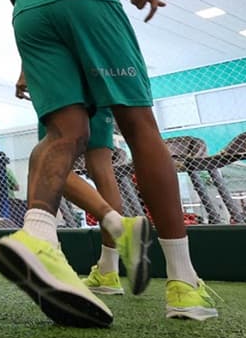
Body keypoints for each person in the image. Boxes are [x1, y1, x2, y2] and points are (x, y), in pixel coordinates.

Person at [0, 0, 217, 327]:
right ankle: (183, 281)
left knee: (63, 134)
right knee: (139, 126)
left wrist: (35, 31)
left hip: (30, 15)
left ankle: (38, 233)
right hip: (85, 1)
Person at [16, 70, 150, 296]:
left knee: (47, 163)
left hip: (63, 82)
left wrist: (24, 73)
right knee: (102, 169)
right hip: (99, 81)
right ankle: (109, 269)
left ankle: (119, 226)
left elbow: (45, 38)